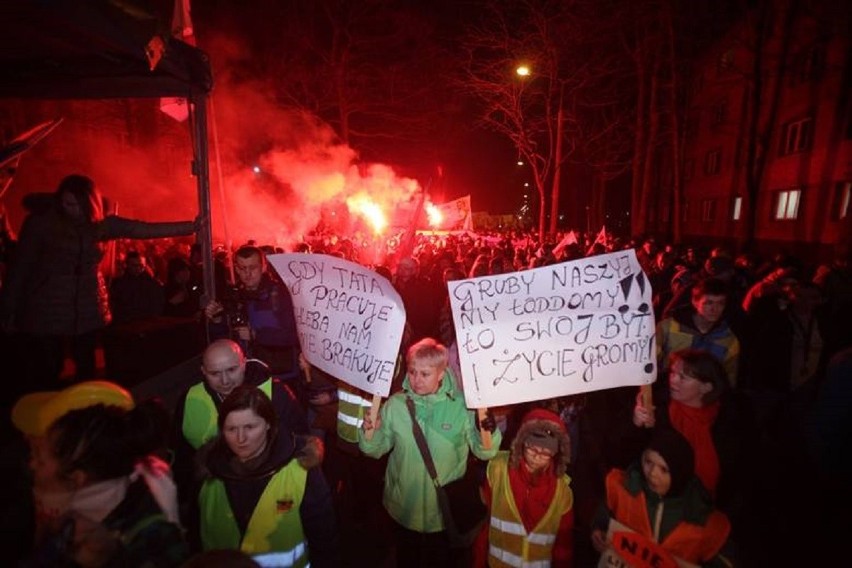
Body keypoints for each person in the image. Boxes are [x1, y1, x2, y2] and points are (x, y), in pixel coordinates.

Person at [0, 174, 196, 388]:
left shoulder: (100, 226)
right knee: (49, 368)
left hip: (87, 305)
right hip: (48, 305)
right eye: (65, 203)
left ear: (89, 203)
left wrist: (191, 226)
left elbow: (144, 229)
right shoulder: (41, 223)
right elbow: (21, 267)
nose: (69, 208)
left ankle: (87, 413)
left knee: (86, 367)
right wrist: (8, 309)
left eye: (75, 204)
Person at [359, 337, 501, 566]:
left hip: (443, 513)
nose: (416, 380)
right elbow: (374, 450)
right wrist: (369, 432)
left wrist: (487, 431)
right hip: (403, 507)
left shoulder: (463, 406)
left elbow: (484, 452)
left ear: (442, 373)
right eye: (412, 371)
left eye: (425, 374)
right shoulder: (396, 405)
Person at [12, 382, 188, 566]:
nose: (31, 465)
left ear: (77, 478)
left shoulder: (150, 540)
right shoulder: (71, 518)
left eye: (39, 457)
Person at [172, 339, 308, 535]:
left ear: (244, 363)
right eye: (215, 374)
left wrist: (289, 503)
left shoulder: (275, 394)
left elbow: (300, 447)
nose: (225, 380)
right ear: (203, 371)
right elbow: (183, 459)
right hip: (217, 513)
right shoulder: (190, 400)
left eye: (232, 370)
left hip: (271, 502)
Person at [197, 385, 339, 566]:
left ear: (268, 424)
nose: (241, 439)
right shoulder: (208, 473)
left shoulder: (301, 469)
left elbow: (324, 538)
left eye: (250, 427)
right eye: (231, 429)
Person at [591, 429, 735, 567]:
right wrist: (597, 532)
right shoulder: (624, 487)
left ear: (679, 473)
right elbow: (603, 515)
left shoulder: (702, 517)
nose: (653, 473)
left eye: (663, 469)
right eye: (648, 462)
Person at [475, 408, 574, 567]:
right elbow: (482, 524)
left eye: (545, 452)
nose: (537, 455)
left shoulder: (563, 493)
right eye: (532, 448)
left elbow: (563, 544)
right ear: (521, 443)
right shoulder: (498, 470)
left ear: (556, 453)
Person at [203, 245, 302, 392]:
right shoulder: (233, 297)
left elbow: (295, 335)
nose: (247, 273)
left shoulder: (281, 295)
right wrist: (217, 320)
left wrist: (256, 335)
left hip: (281, 377)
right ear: (236, 269)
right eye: (242, 268)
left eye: (252, 268)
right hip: (245, 377)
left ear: (263, 267)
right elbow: (222, 340)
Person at [656, 277, 741, 388]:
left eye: (720, 303)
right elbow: (649, 365)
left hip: (704, 401)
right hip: (667, 395)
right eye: (708, 303)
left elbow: (729, 379)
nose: (714, 309)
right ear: (695, 302)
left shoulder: (728, 340)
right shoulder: (668, 328)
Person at [108, 250, 165, 325]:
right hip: (127, 324)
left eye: (141, 265)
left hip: (148, 323)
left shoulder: (152, 284)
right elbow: (116, 306)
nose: (138, 268)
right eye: (134, 265)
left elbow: (157, 304)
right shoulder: (119, 284)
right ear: (127, 265)